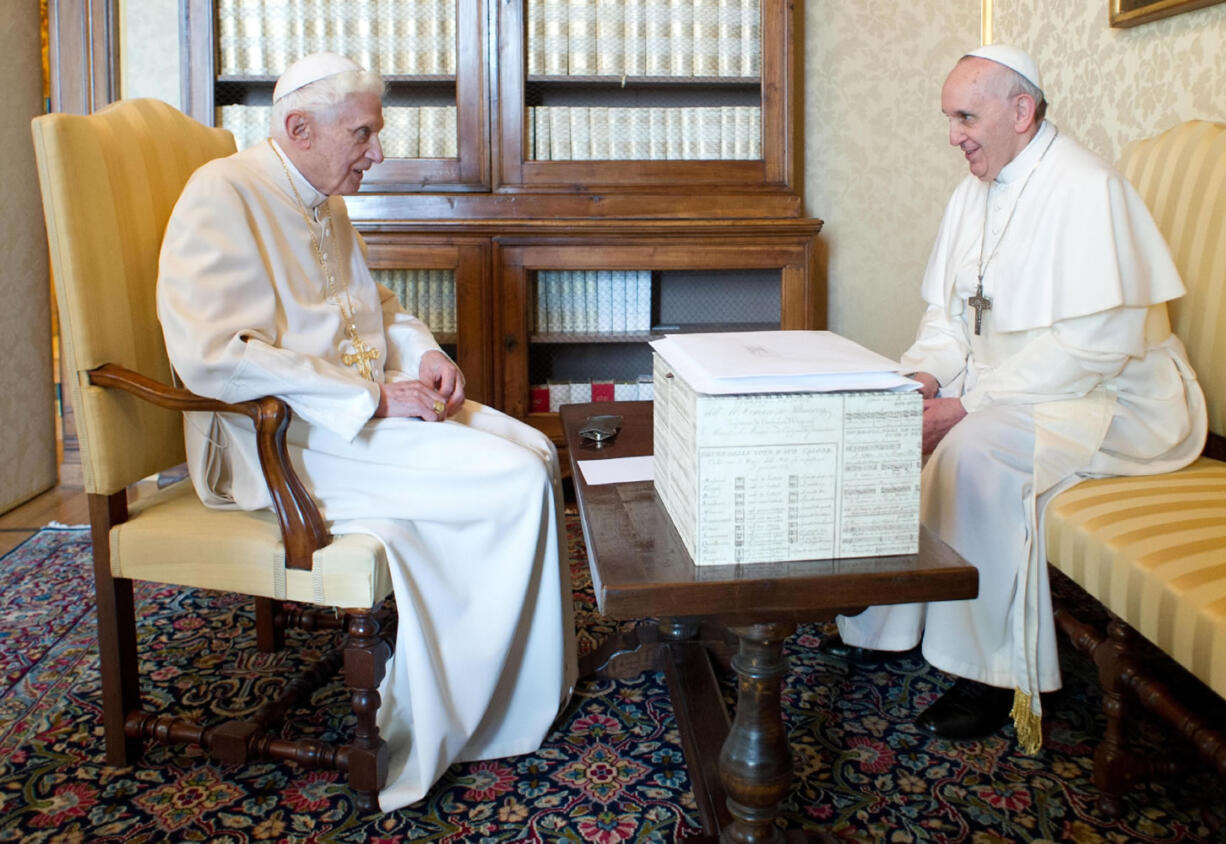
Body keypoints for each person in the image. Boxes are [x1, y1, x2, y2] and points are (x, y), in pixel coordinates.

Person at [156, 52, 578, 810]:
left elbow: (373, 305)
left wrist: (426, 352)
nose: (377, 154)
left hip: (349, 413)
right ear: (298, 127)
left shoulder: (320, 194)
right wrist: (373, 398)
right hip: (275, 441)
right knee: (511, 480)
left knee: (539, 452)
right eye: (363, 134)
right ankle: (474, 715)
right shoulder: (221, 194)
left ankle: (527, 681)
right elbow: (211, 357)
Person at [831, 45, 1207, 752]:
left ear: (1021, 112)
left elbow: (1093, 348)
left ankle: (991, 674)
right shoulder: (974, 190)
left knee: (976, 448)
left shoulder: (1088, 189)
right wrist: (927, 380)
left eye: (965, 116)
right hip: (1021, 383)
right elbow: (948, 318)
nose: (954, 135)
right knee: (893, 414)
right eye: (950, 118)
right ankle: (889, 623)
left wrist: (971, 405)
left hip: (1114, 397)